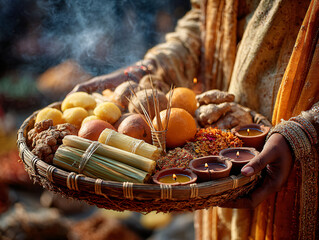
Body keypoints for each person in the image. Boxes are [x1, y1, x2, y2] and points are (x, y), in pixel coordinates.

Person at [71, 0, 319, 239]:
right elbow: (203, 20)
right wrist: (147, 68)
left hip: (296, 149)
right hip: (215, 152)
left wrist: (302, 133)